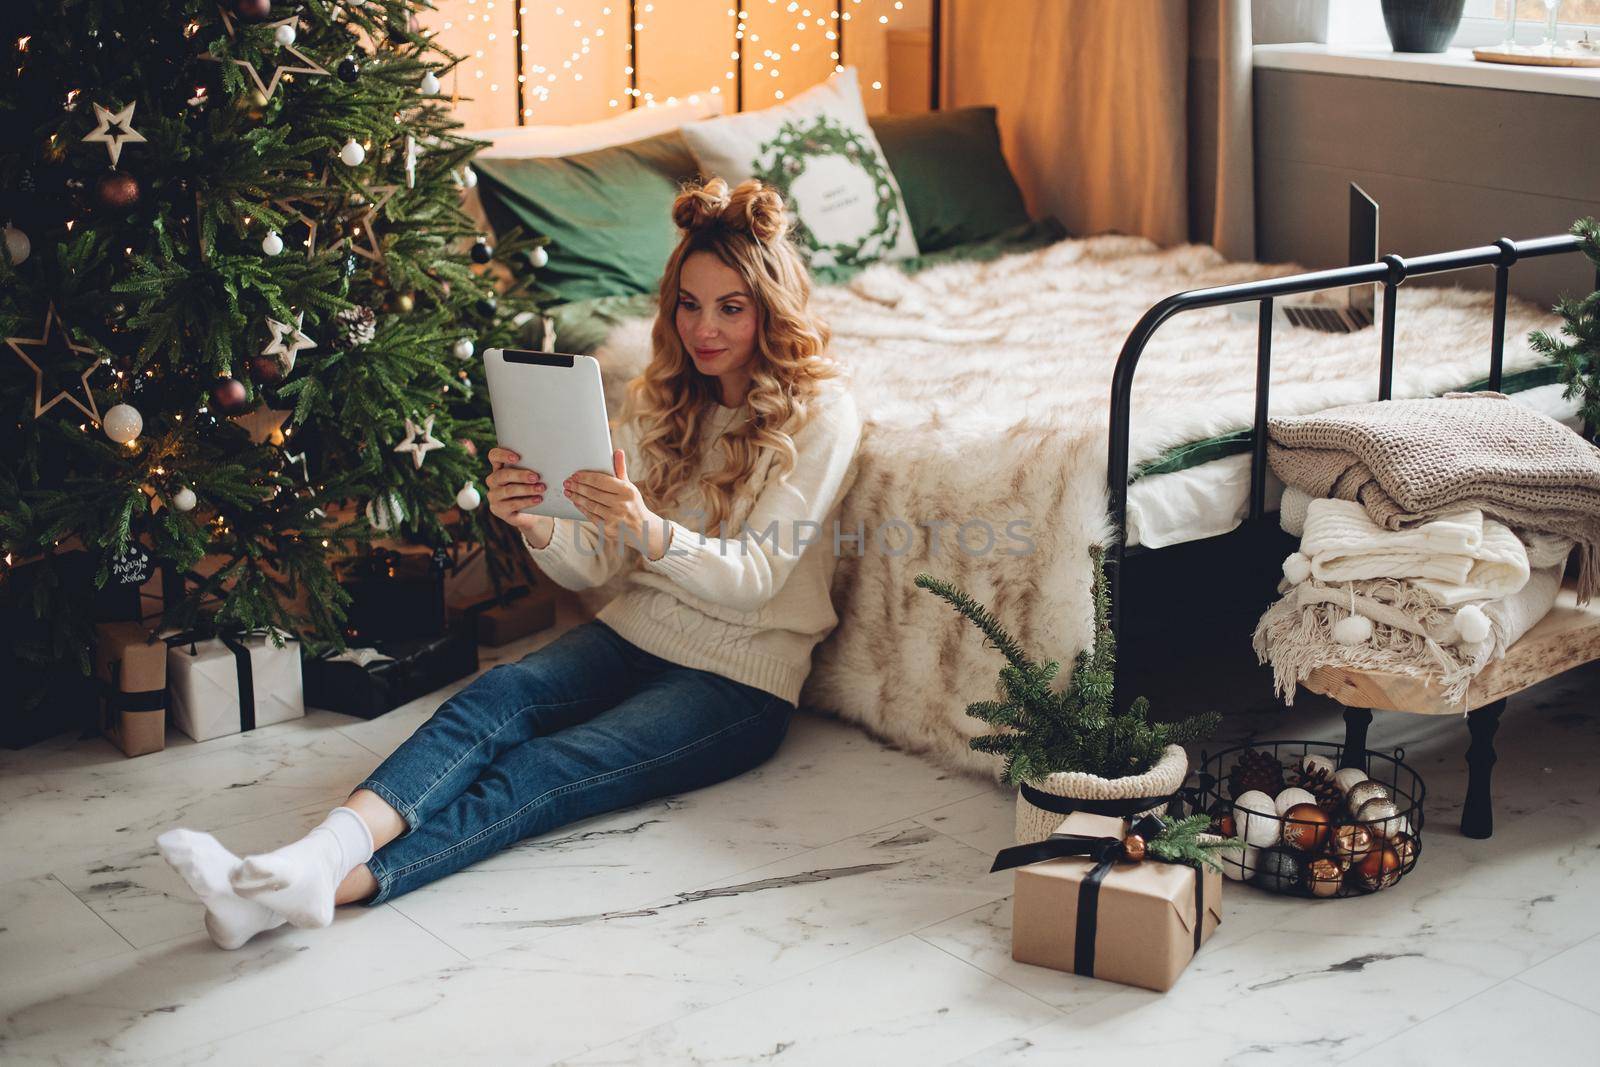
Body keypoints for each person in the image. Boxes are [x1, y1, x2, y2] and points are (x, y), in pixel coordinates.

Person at [154, 176, 865, 950]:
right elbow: (592, 567)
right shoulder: (665, 399)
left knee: (549, 767)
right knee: (497, 695)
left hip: (740, 681)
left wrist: (649, 529)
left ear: (772, 306)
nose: (704, 327)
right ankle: (314, 858)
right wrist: (534, 523)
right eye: (689, 303)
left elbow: (755, 579)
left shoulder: (823, 414)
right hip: (638, 630)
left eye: (732, 306)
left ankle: (326, 886)